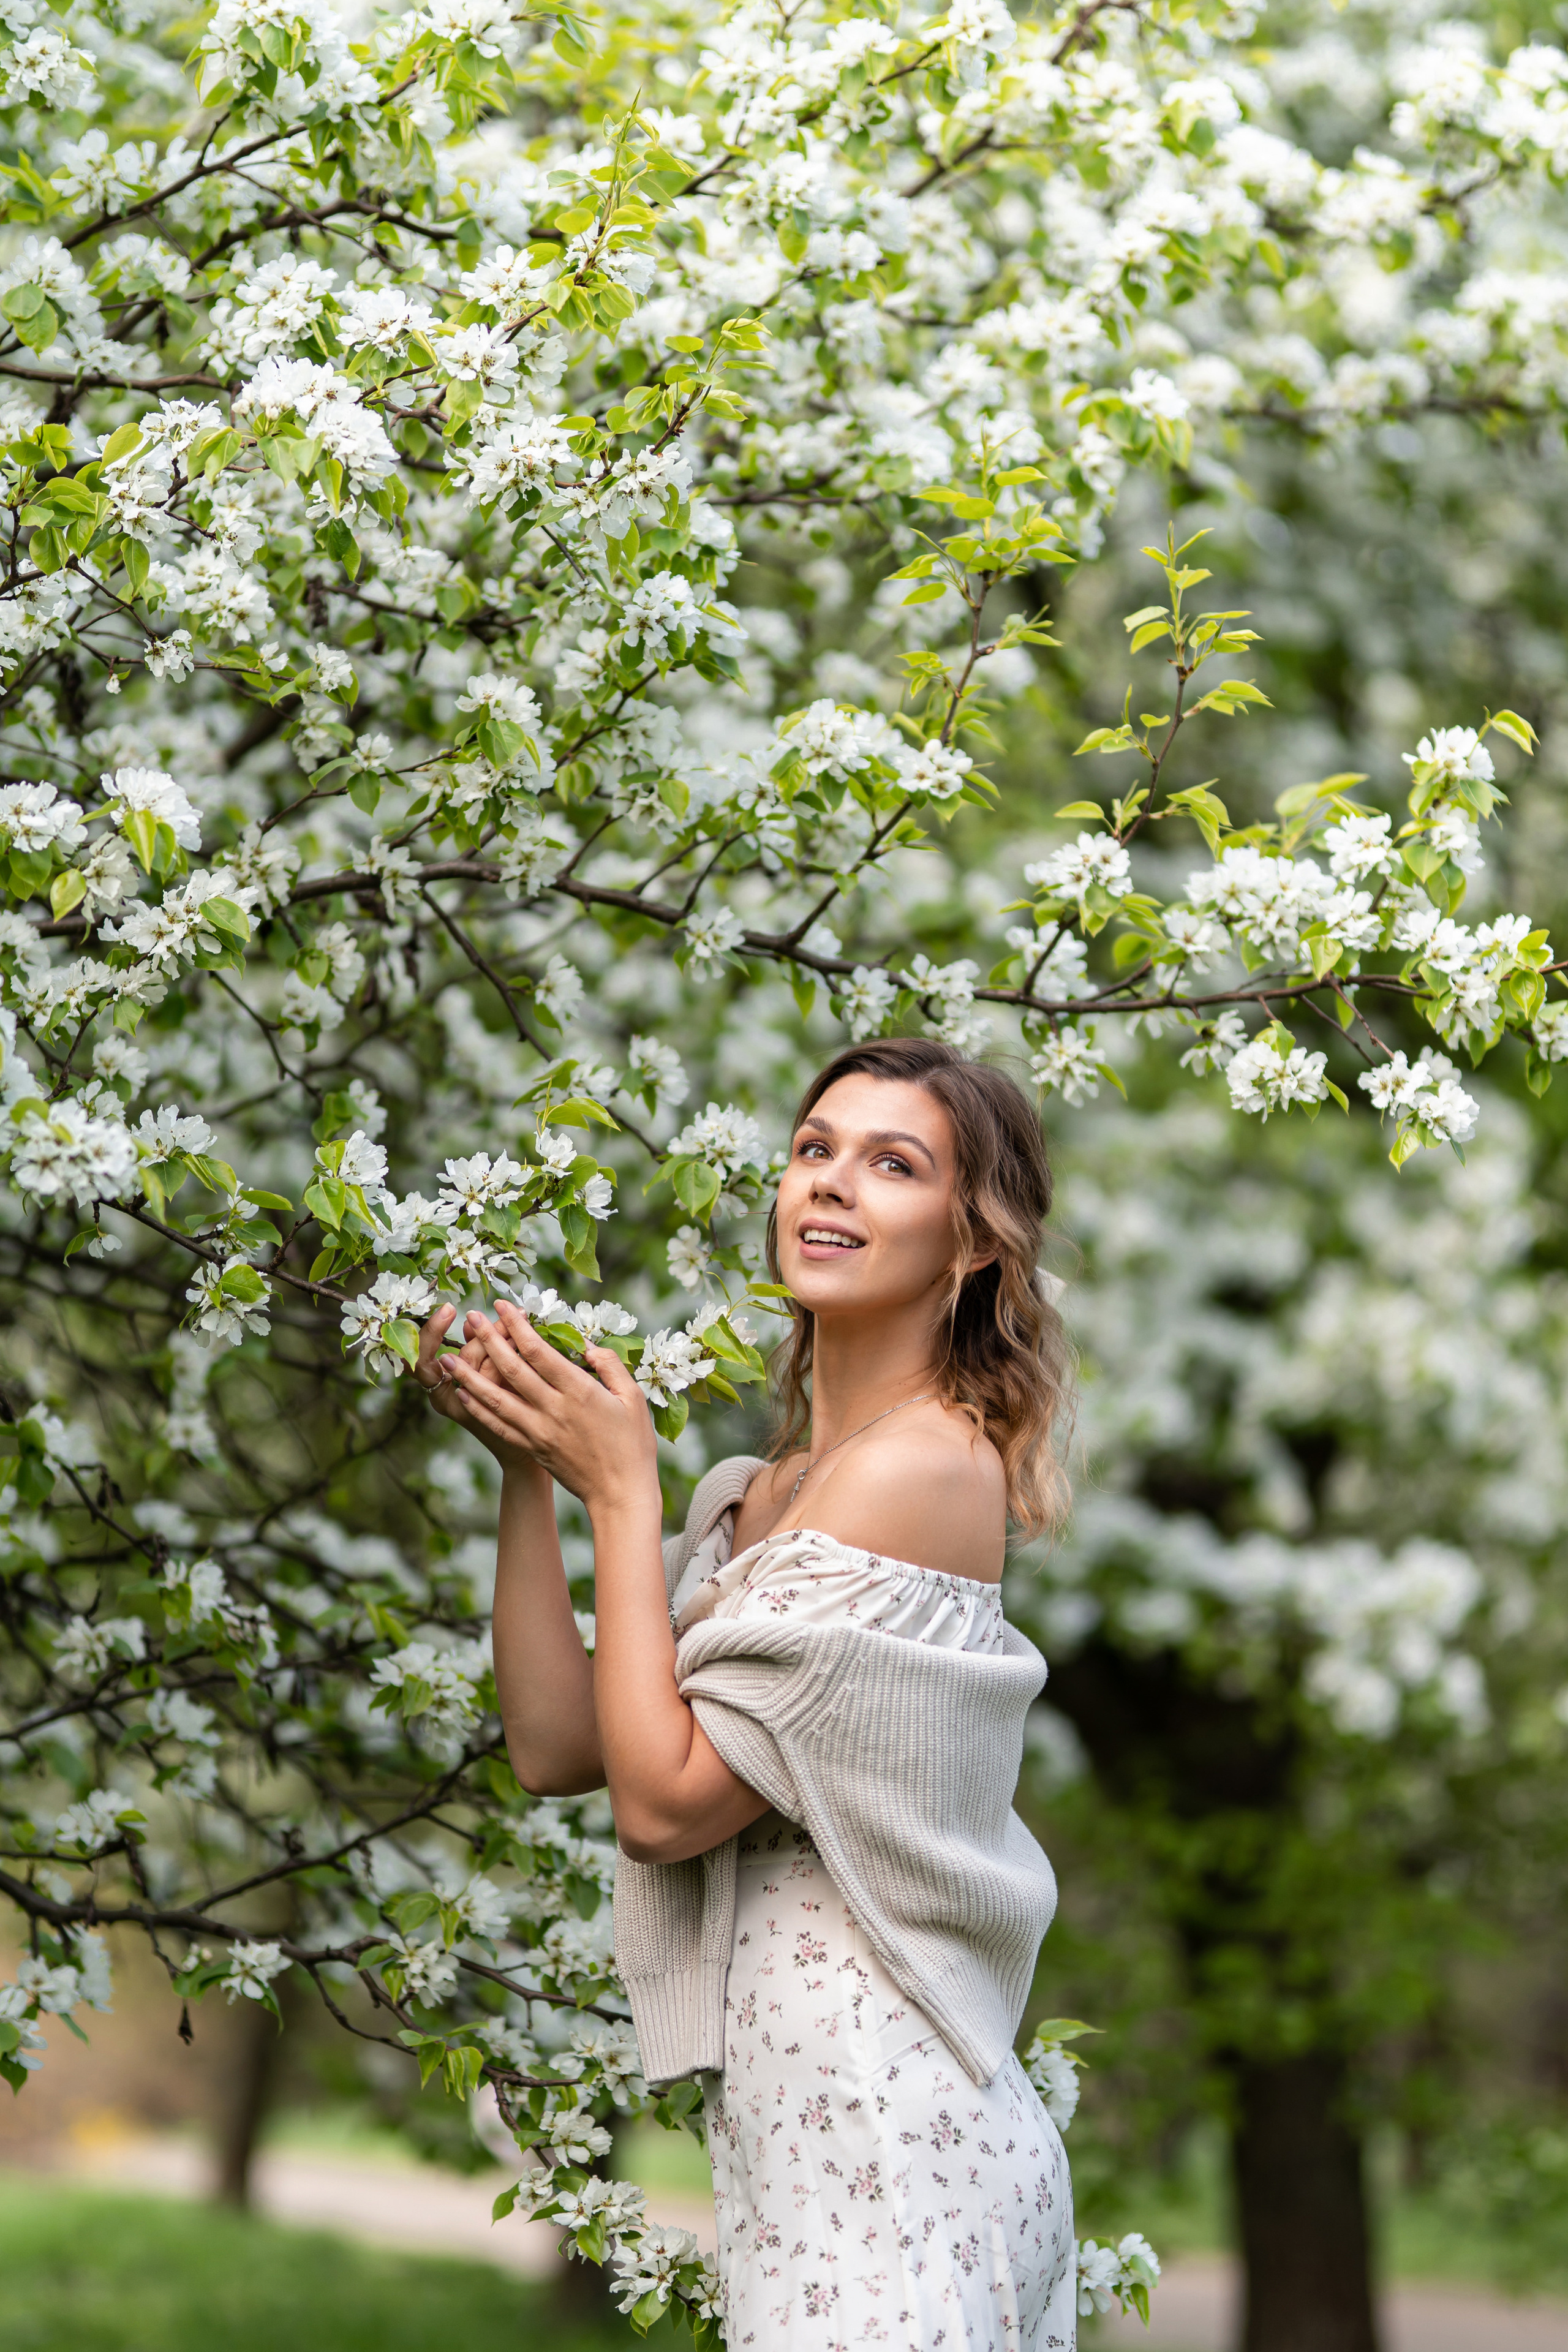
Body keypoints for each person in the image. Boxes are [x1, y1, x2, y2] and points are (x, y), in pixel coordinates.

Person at [415, 1035, 1078, 2349]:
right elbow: (558, 1745)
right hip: (801, 2150)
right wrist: (527, 1473)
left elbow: (661, 1810)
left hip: (893, 2146)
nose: (830, 1184)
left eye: (892, 1165)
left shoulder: (924, 1472)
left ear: (973, 1245)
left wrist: (618, 1489)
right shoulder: (757, 1497)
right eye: (813, 1150)